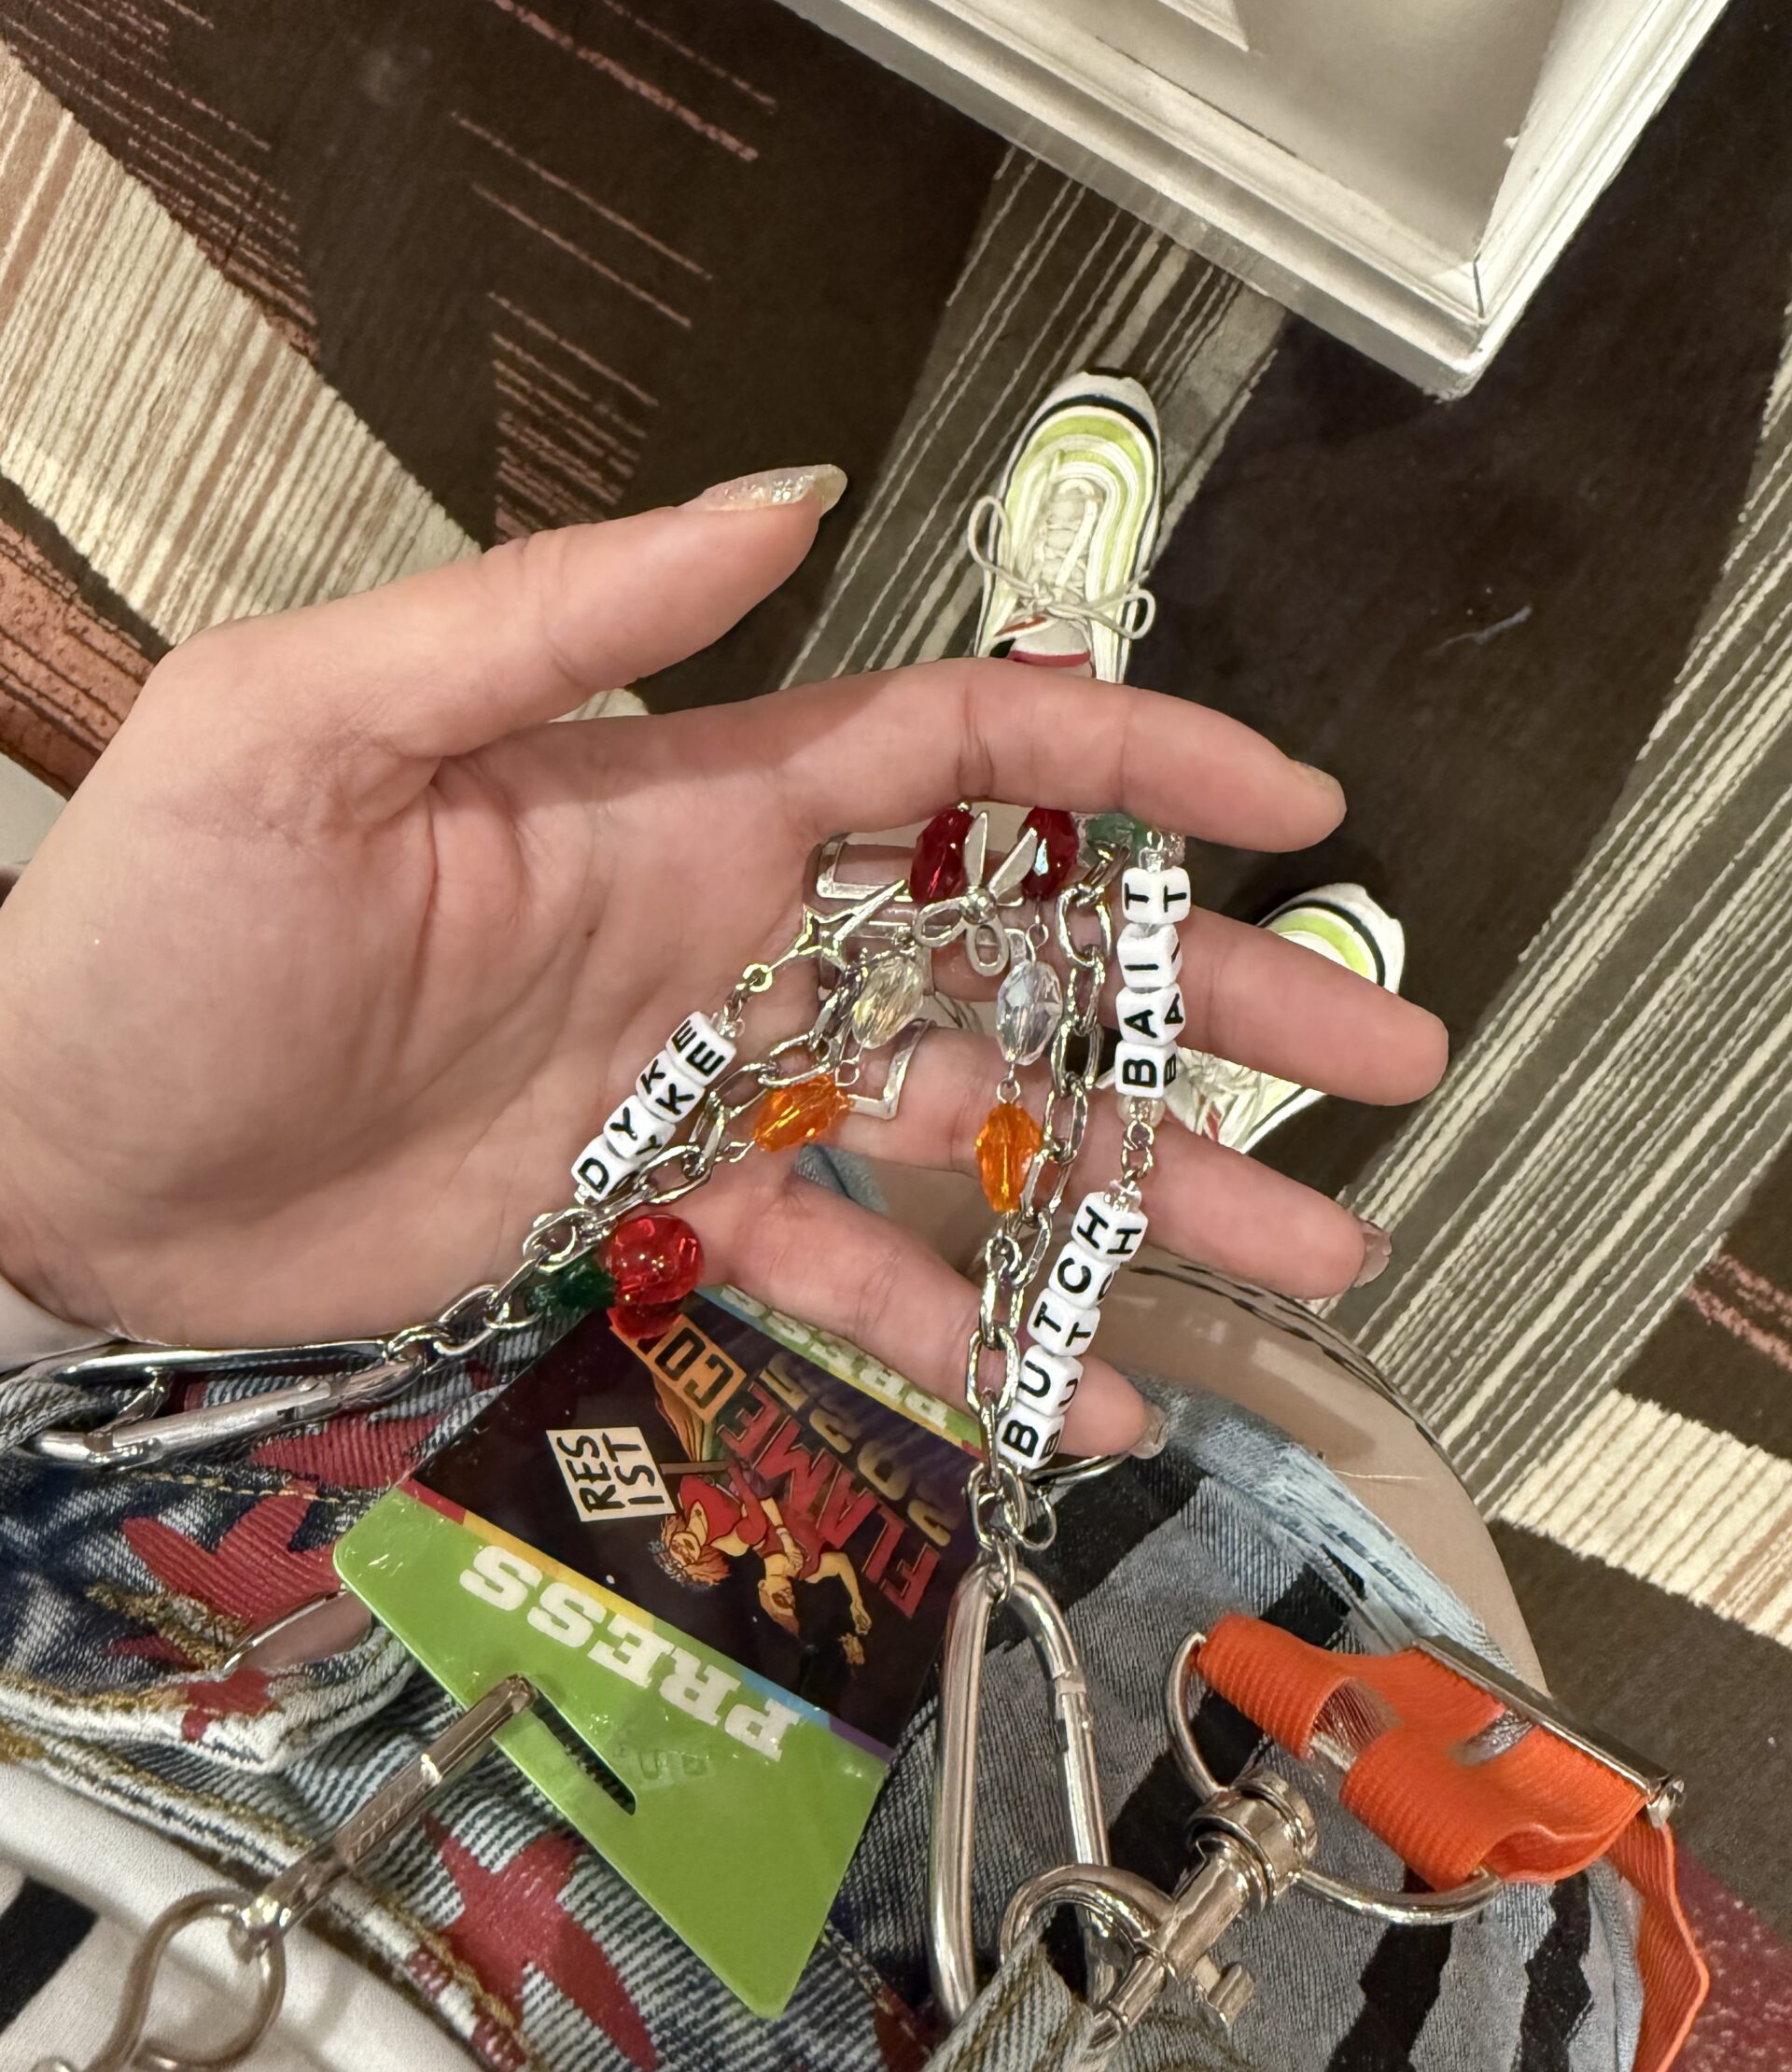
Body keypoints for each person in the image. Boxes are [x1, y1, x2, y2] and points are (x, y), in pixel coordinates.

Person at [0, 465, 1444, 1449]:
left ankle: (1105, 1095)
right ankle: (1123, 1134)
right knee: (1073, 1361)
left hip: (120, 1376)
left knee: (891, 1166)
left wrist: (40, 1196)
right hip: (282, 1468)